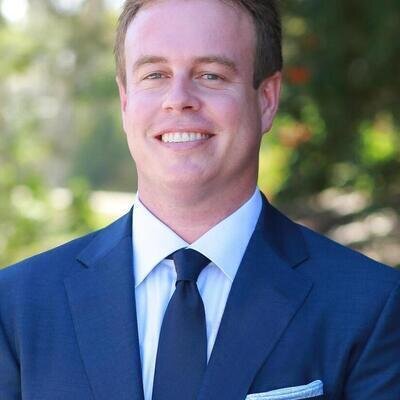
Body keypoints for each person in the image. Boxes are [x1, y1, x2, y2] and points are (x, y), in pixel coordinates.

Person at [1, 0, 399, 399]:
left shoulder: (371, 306)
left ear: (266, 99)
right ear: (125, 100)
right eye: (155, 75)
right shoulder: (16, 306)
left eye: (211, 75)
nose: (178, 99)